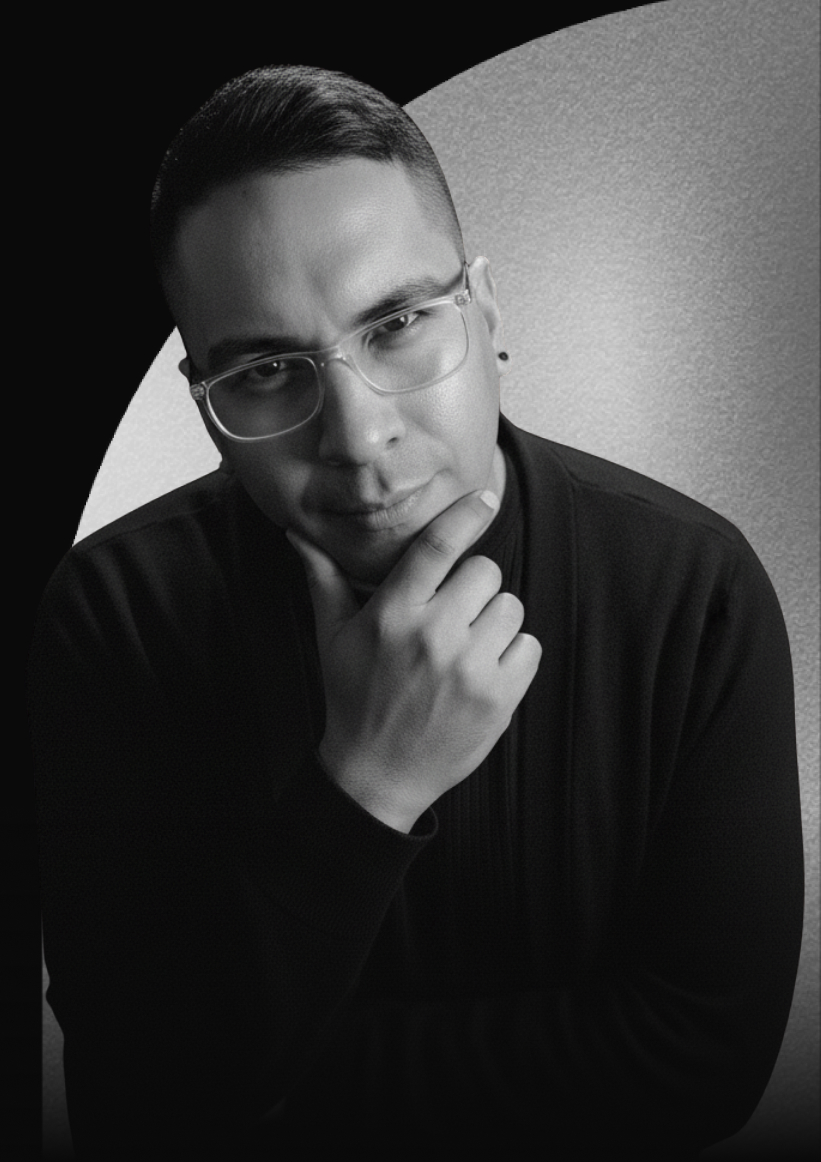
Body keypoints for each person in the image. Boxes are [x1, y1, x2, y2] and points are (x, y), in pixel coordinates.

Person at [30, 65, 804, 1159]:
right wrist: (367, 787)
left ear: (484, 312)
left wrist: (264, 1091)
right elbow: (132, 1107)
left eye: (395, 323)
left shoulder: (695, 595)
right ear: (204, 401)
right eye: (265, 370)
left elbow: (701, 1066)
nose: (356, 437)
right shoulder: (112, 617)